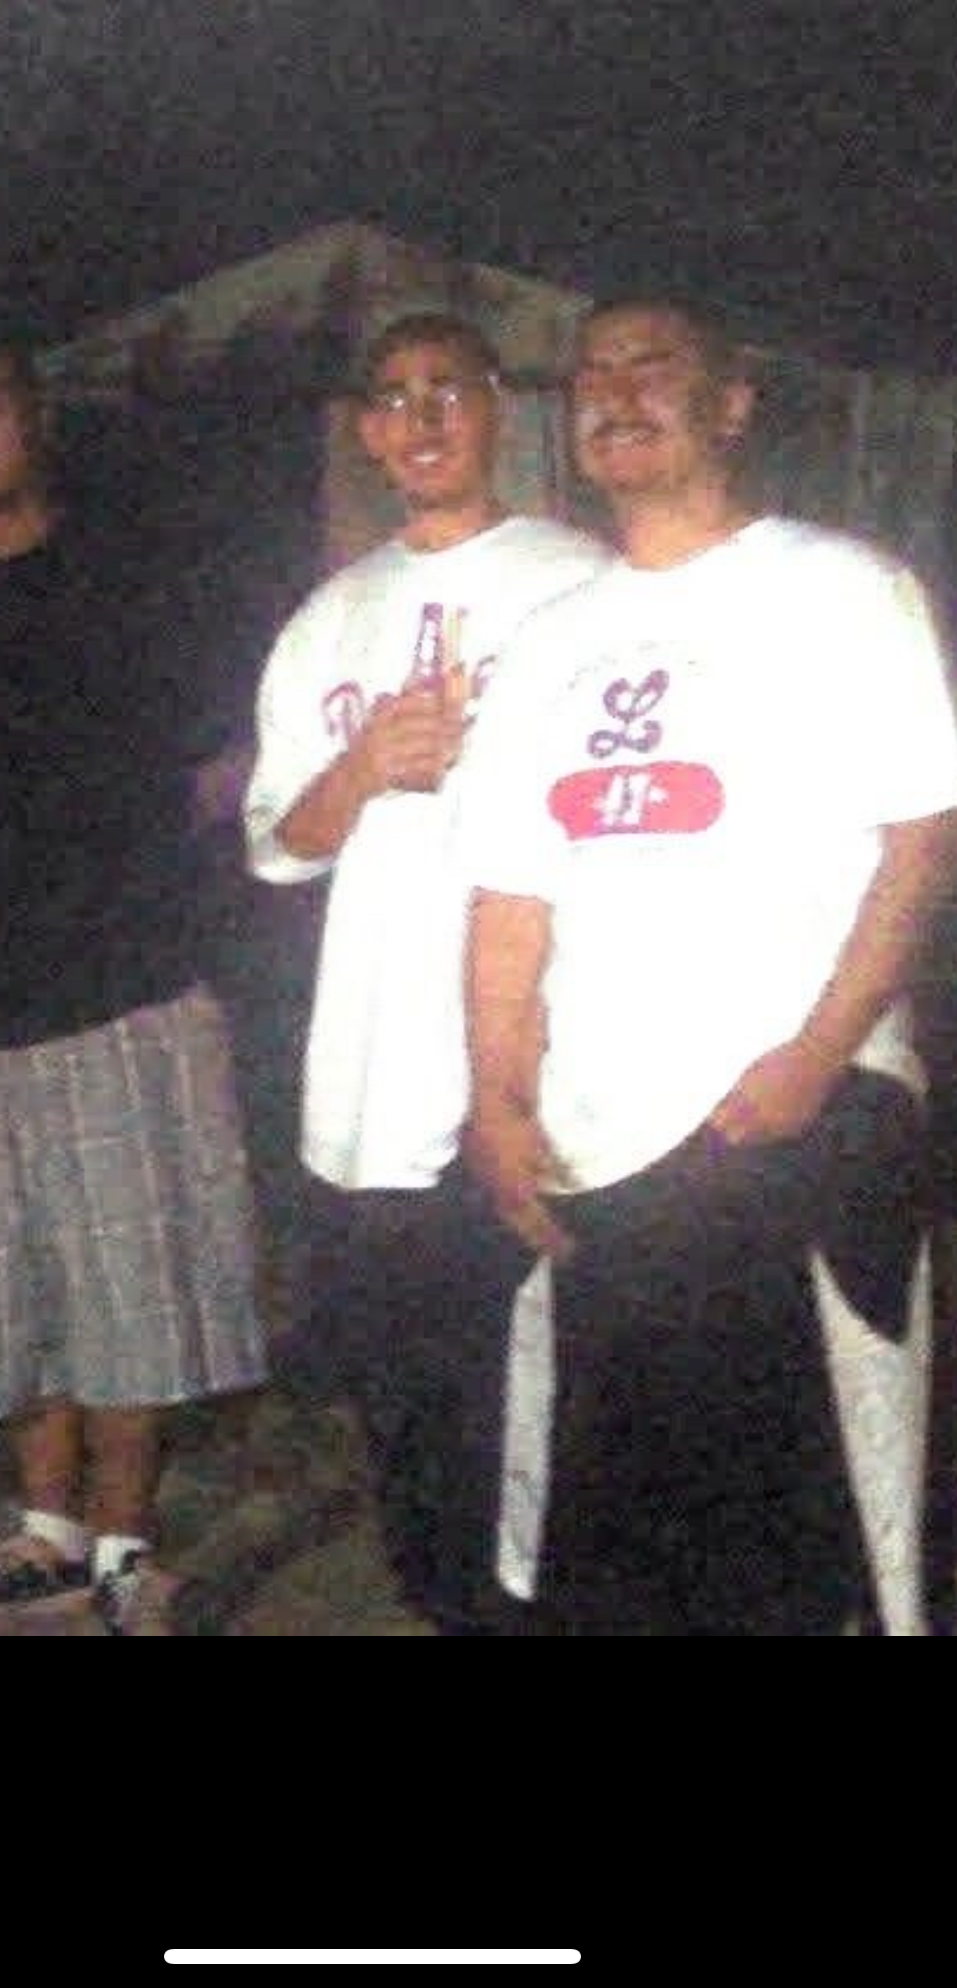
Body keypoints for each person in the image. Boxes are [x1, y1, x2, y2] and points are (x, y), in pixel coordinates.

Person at [461, 294, 957, 1636]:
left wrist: (813, 1055)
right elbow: (508, 896)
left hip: (788, 1122)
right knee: (624, 1534)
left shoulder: (842, 589)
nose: (615, 392)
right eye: (590, 374)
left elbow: (917, 844)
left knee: (800, 1541)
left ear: (730, 403)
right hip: (599, 1148)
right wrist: (499, 1103)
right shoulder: (552, 643)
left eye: (653, 366)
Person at [0, 327, 266, 1635]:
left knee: (127, 1278)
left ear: (36, 421)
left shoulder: (132, 575)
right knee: (5, 1278)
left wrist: (140, 874)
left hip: (123, 981)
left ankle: (124, 1553)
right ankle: (44, 1535)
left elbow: (220, 766)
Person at [243, 308, 606, 1633]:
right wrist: (365, 766)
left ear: (497, 406)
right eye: (392, 399)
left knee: (541, 1429)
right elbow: (279, 847)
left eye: (446, 390)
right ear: (365, 431)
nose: (421, 419)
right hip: (368, 1094)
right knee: (407, 1425)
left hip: (531, 1087)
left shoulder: (580, 582)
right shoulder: (327, 618)